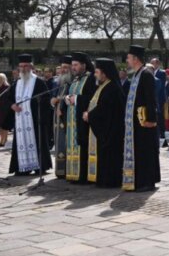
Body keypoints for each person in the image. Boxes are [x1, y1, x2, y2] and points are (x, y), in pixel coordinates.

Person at [122, 45, 161, 191]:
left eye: (129, 58)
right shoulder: (136, 74)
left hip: (145, 121)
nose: (127, 60)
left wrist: (151, 119)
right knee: (140, 151)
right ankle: (139, 180)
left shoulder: (146, 74)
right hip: (136, 122)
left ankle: (147, 182)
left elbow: (151, 98)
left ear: (136, 59)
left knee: (146, 151)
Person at [83, 58, 125, 187]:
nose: (94, 74)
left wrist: (89, 115)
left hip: (111, 130)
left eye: (96, 72)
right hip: (106, 129)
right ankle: (103, 179)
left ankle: (109, 181)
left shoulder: (112, 88)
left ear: (104, 73)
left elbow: (104, 108)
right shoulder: (104, 86)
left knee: (110, 156)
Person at [8, 54, 52, 175]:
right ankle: (22, 168)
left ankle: (39, 167)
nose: (23, 68)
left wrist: (34, 107)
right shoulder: (16, 83)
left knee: (38, 141)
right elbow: (8, 98)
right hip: (20, 121)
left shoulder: (39, 82)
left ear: (31, 66)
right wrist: (12, 105)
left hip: (34, 120)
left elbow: (46, 100)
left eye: (25, 66)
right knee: (19, 143)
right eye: (21, 66)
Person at [65, 53, 98, 183]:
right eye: (72, 65)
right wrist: (68, 98)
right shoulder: (75, 79)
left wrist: (76, 99)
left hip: (83, 118)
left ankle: (82, 175)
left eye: (76, 65)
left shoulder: (90, 78)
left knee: (82, 144)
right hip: (72, 117)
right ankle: (72, 174)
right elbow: (71, 94)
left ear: (84, 65)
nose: (73, 67)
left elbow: (93, 97)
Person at [51, 56, 72, 178]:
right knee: (59, 143)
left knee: (66, 143)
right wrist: (53, 101)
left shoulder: (73, 81)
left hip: (67, 117)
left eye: (66, 67)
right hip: (57, 117)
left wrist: (60, 100)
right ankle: (60, 170)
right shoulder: (58, 82)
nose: (63, 70)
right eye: (62, 67)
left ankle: (67, 170)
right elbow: (54, 96)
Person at [0, 73, 14, 147]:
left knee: (5, 126)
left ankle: (4, 141)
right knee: (0, 126)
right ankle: (1, 140)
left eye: (0, 78)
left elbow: (6, 99)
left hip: (5, 110)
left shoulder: (6, 87)